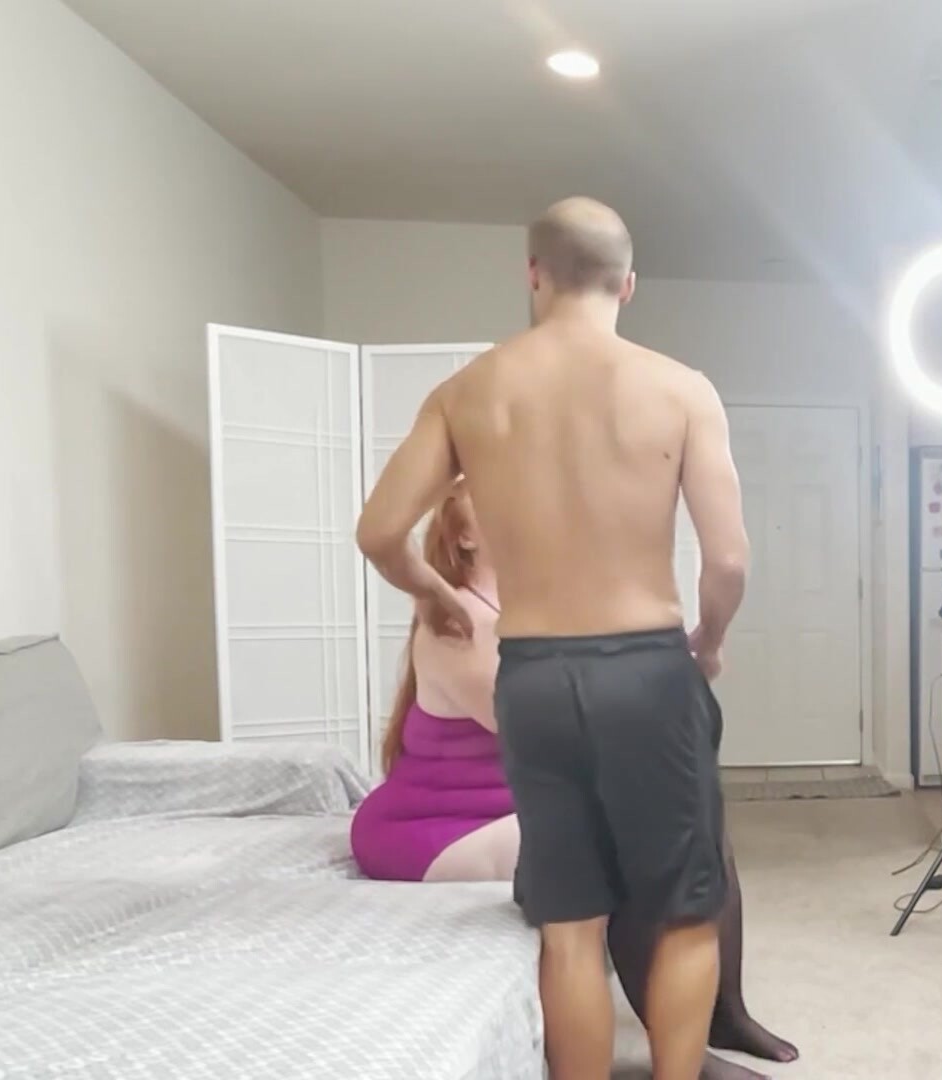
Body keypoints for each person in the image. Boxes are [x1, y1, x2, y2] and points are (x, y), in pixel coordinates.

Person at [357, 197, 750, 1080]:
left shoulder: (467, 393)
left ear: (532, 273)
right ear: (629, 284)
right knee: (685, 912)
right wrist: (711, 640)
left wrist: (436, 594)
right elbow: (727, 560)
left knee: (570, 926)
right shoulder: (681, 389)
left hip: (533, 676)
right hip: (648, 671)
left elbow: (379, 531)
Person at [348, 480, 796, 1079]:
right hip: (436, 824)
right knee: (623, 854)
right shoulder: (458, 621)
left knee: (698, 826)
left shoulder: (539, 609)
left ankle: (727, 1013)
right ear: (464, 536)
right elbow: (548, 731)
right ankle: (684, 1057)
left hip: (516, 799)